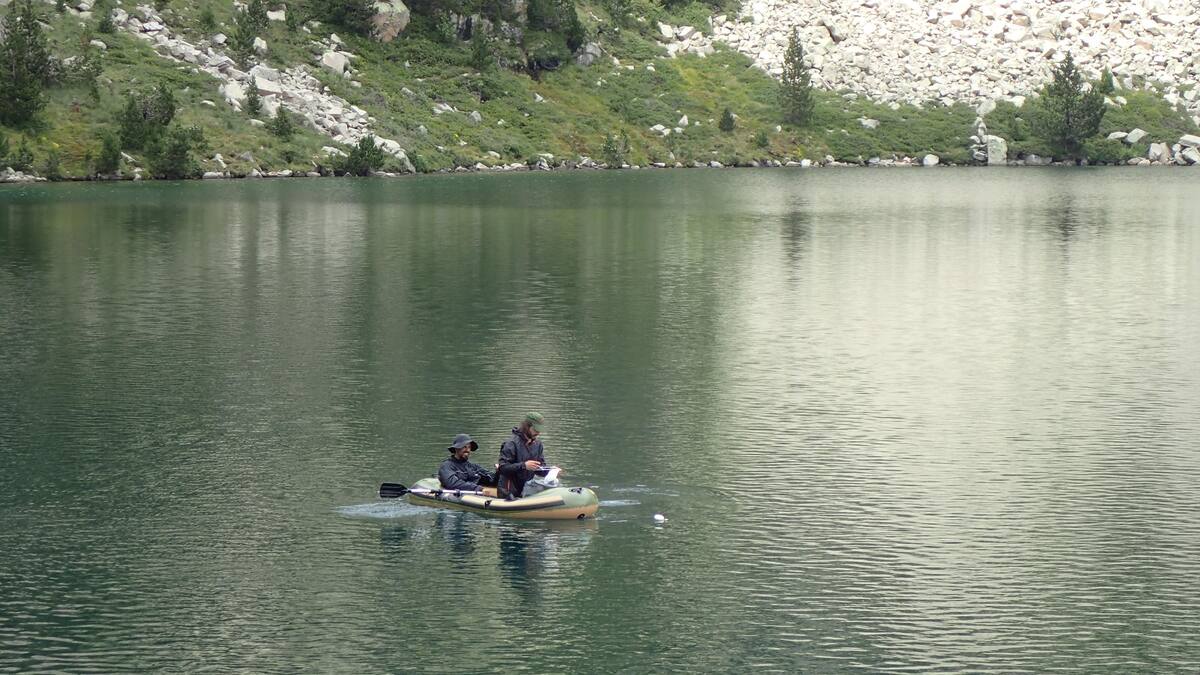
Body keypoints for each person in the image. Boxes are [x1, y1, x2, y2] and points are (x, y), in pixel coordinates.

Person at [496, 413, 550, 499]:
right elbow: (503, 468)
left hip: (526, 490)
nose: (538, 432)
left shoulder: (538, 445)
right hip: (508, 492)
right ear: (527, 427)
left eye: (539, 430)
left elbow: (539, 469)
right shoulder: (511, 443)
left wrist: (550, 472)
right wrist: (524, 466)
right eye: (535, 429)